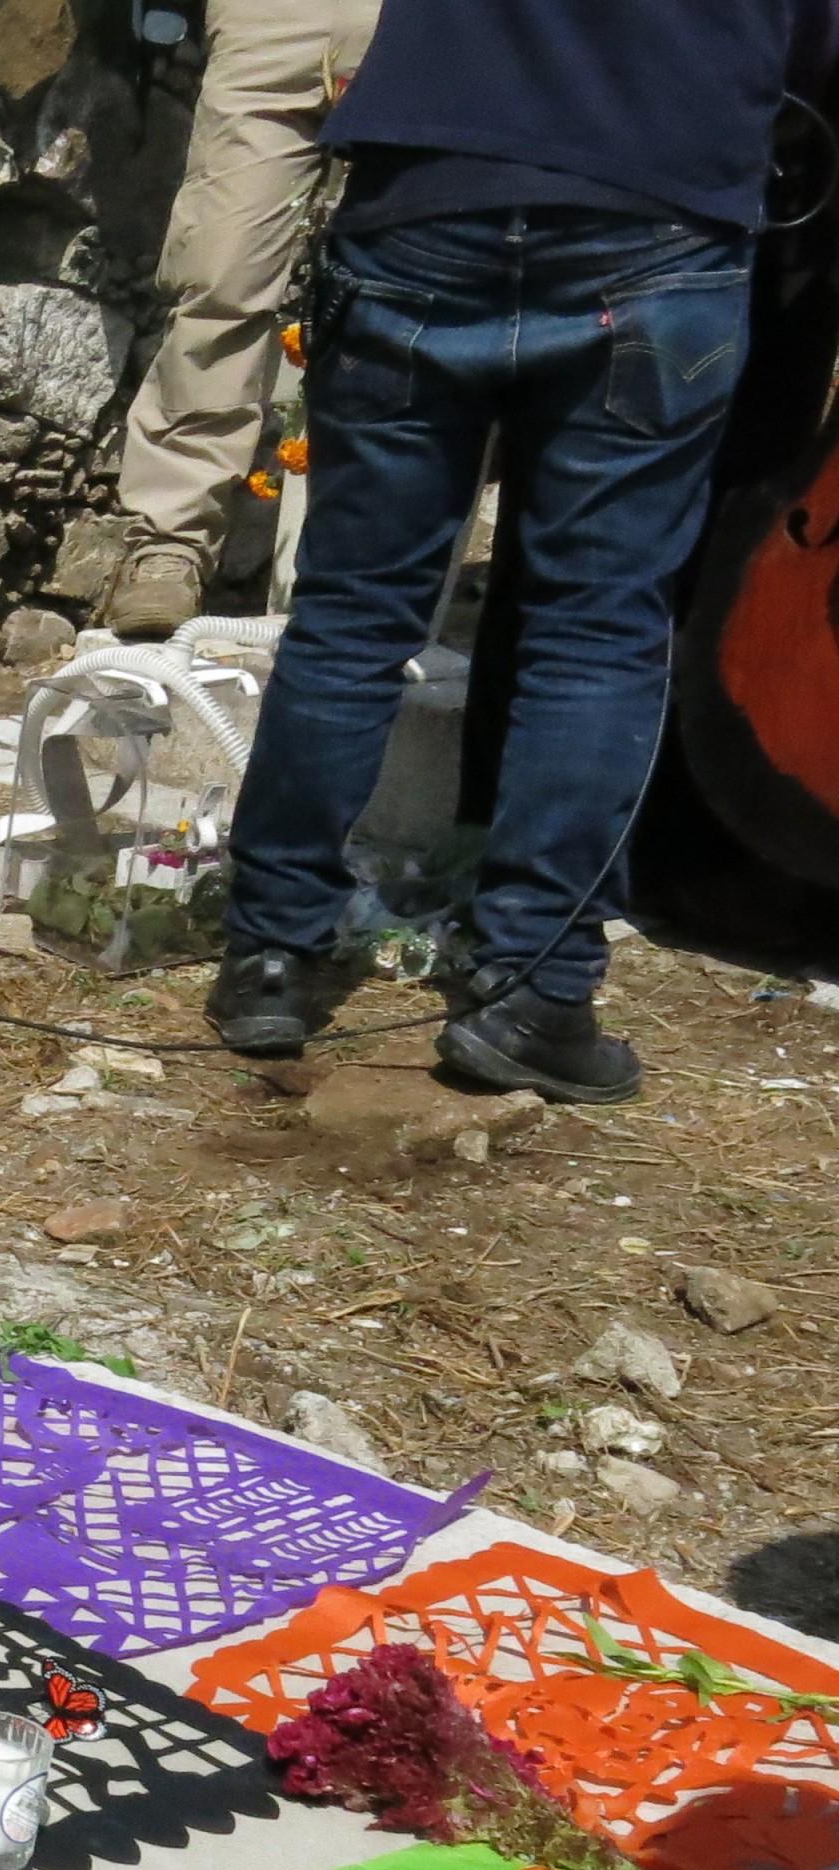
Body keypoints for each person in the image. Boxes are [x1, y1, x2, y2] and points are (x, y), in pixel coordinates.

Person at [205, 0, 833, 1101]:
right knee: (594, 631)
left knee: (352, 610)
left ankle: (270, 954)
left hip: (426, 192)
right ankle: (532, 990)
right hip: (657, 212)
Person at [108, 0, 380, 637]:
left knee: (414, 281)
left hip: (432, 27)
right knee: (220, 277)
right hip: (272, 20)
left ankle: (375, 555)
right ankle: (169, 545)